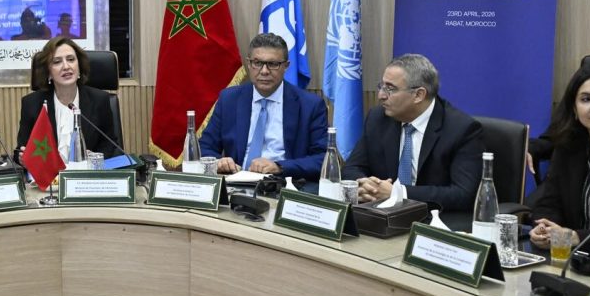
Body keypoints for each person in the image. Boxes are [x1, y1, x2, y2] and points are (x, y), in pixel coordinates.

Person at [343, 54, 484, 211]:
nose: (381, 95)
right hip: (382, 214)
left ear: (418, 95)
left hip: (433, 218)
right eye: (381, 86)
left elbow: (463, 194)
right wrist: (366, 185)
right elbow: (351, 168)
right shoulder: (378, 118)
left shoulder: (461, 129)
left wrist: (398, 193)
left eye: (390, 89)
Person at [199, 33, 328, 180]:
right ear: (249, 64)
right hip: (236, 183)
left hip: (284, 184)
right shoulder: (229, 99)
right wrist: (219, 162)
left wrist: (280, 167)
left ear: (286, 66)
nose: (264, 71)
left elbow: (323, 159)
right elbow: (204, 147)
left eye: (273, 64)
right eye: (257, 63)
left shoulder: (310, 105)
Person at [529, 64, 590, 253]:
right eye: (586, 99)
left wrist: (575, 237)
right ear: (575, 109)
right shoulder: (569, 148)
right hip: (579, 260)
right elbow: (549, 203)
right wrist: (544, 229)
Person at [16, 37, 118, 162]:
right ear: (48, 72)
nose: (66, 66)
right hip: (50, 173)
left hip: (87, 172)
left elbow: (110, 143)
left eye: (71, 59)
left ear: (79, 66)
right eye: (57, 62)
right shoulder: (32, 104)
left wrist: (95, 158)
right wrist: (21, 158)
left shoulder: (99, 100)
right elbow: (21, 149)